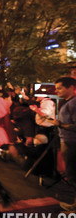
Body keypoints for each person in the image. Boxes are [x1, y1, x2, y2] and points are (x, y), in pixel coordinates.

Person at [48, 77, 76, 211]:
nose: (56, 91)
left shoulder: (74, 103)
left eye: (59, 88)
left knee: (72, 174)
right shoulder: (66, 102)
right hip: (66, 140)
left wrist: (60, 124)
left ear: (71, 87)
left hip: (72, 142)